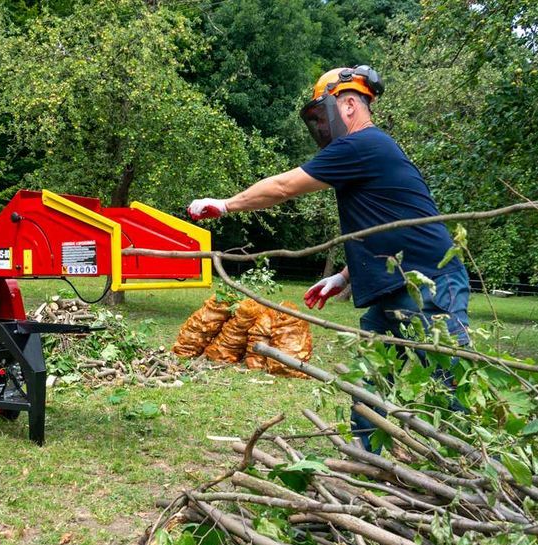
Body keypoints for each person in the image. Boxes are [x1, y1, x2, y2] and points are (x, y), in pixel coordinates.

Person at [187, 65, 471, 451]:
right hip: (397, 284)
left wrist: (225, 204)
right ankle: (367, 455)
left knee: (451, 383)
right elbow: (390, 227)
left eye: (325, 113)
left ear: (350, 105)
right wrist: (344, 276)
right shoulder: (367, 154)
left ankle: (473, 461)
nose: (321, 125)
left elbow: (285, 186)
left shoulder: (363, 145)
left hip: (429, 286)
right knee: (371, 378)